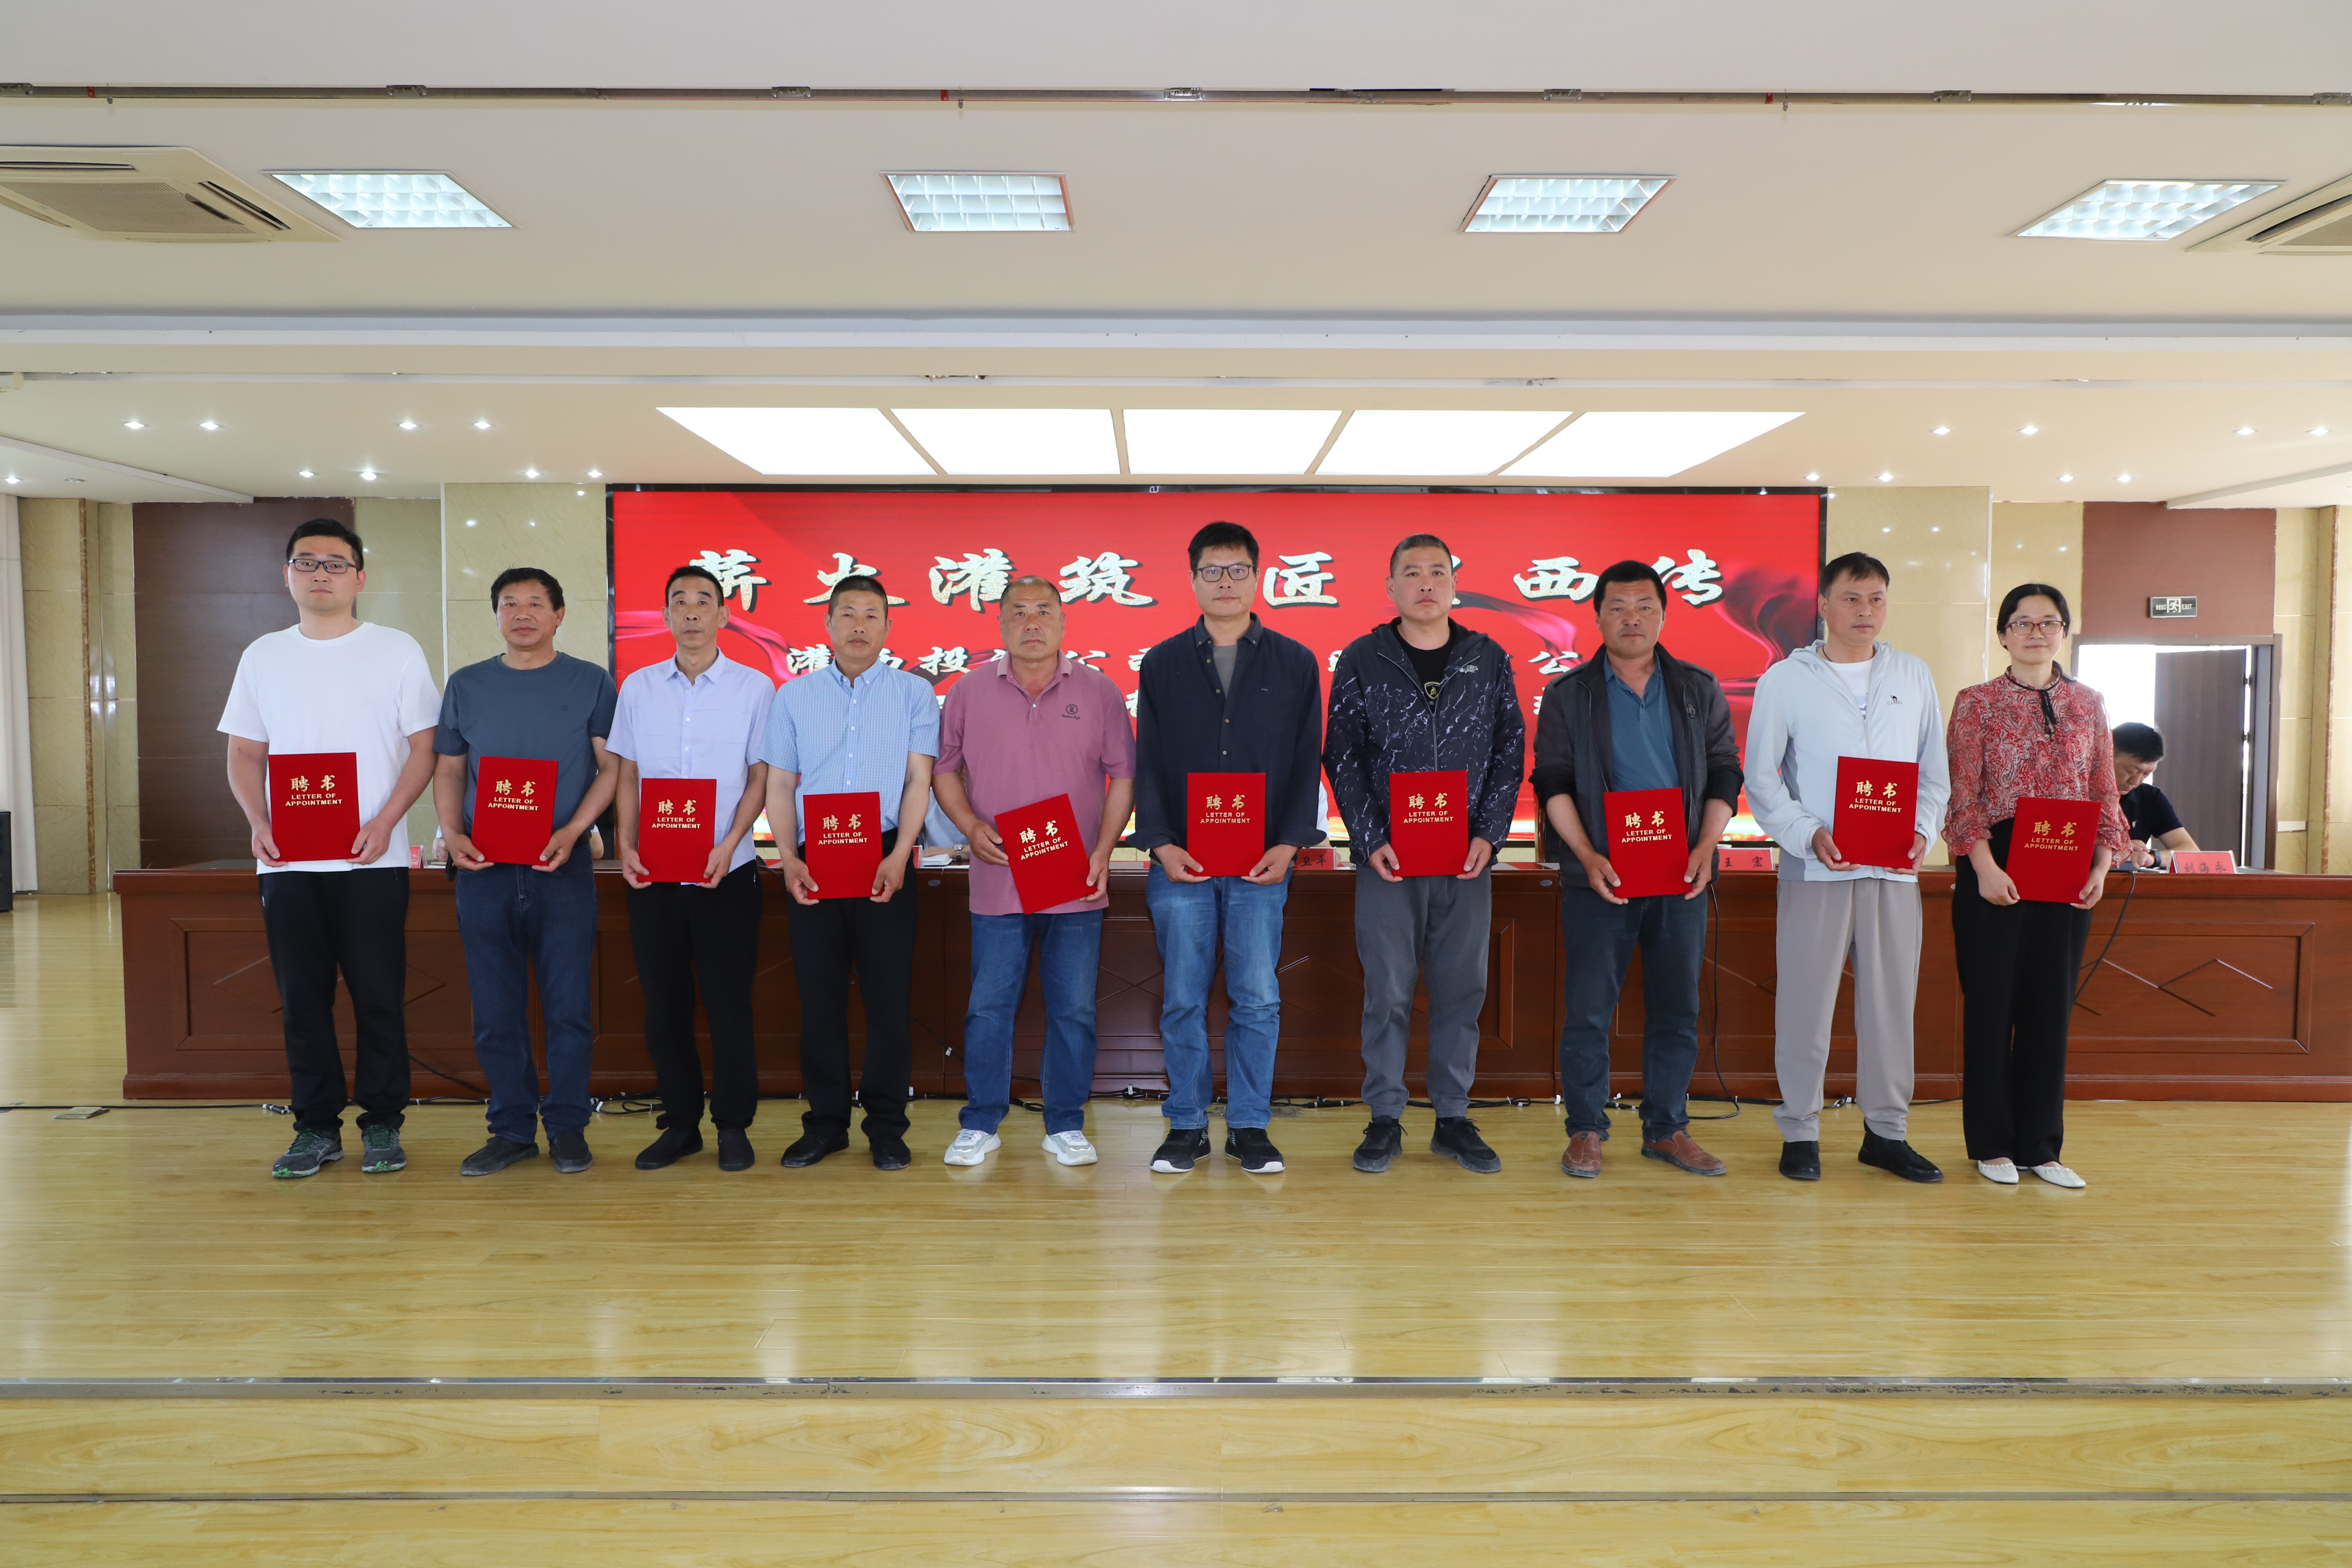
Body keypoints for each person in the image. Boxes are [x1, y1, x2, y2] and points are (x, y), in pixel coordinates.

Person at [220, 519, 441, 1179]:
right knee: (303, 1000)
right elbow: (244, 752)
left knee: (379, 996)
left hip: (373, 859)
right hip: (287, 860)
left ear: (360, 578)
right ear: (287, 575)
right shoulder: (263, 655)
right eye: (307, 562)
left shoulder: (396, 650)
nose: (321, 574)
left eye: (336, 564)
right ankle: (315, 1126)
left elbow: (425, 747)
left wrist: (388, 821)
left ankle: (383, 1122)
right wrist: (258, 820)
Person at [1744, 552, 1950, 1185]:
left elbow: (1934, 773)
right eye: (1853, 598)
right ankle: (1800, 1130)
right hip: (1817, 867)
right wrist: (1808, 834)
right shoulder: (1786, 679)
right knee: (1805, 1005)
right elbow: (1762, 777)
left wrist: (1923, 831)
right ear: (1825, 606)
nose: (1866, 611)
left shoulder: (1912, 674)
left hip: (1894, 871)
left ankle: (1887, 1133)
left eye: (1877, 598)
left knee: (1890, 1006)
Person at [1533, 559, 1742, 1181]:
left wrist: (1707, 846)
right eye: (1618, 608)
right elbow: (1553, 782)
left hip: (1681, 875)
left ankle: (1667, 1128)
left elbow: (1725, 770)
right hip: (1599, 878)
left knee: (1677, 1008)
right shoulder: (1569, 694)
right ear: (1597, 617)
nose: (1632, 618)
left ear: (1664, 616)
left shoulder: (1698, 688)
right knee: (1588, 1010)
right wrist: (1587, 855)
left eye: (1645, 607)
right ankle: (1586, 1130)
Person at [1323, 534, 1525, 1175]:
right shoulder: (1363, 658)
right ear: (1391, 587)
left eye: (1438, 571)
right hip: (1389, 861)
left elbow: (1510, 750)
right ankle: (1385, 1116)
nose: (1427, 583)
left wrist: (1489, 834)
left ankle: (1453, 1117)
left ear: (1455, 585)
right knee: (1387, 991)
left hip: (1466, 860)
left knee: (1463, 989)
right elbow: (1343, 754)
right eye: (1412, 573)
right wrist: (1369, 839)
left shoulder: (1487, 657)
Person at [1132, 521, 1324, 1176]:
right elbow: (1147, 758)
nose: (1225, 582)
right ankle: (1186, 1125)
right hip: (1180, 863)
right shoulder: (1161, 663)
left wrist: (1290, 843)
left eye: (1237, 570)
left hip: (1260, 866)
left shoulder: (1295, 662)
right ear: (1192, 580)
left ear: (1257, 577)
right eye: (1212, 571)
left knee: (1257, 997)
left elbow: (1306, 758)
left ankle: (1249, 1126)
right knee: (1183, 998)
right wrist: (1160, 843)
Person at [933, 576, 1136, 1168]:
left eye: (1043, 611)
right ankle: (981, 1122)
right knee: (988, 1008)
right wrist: (970, 827)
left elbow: (1124, 776)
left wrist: (1104, 850)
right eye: (1018, 612)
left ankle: (1065, 1123)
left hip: (1075, 880)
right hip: (998, 878)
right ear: (1000, 622)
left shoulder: (1099, 690)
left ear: (1063, 621)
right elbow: (944, 771)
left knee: (1073, 1009)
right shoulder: (968, 691)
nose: (1031, 623)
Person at [432, 567, 620, 1178]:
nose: (521, 614)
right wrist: (453, 834)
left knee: (569, 1009)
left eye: (535, 603)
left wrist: (576, 830)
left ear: (559, 615)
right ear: (496, 616)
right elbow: (449, 770)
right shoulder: (466, 684)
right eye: (509, 604)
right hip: (484, 869)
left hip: (561, 867)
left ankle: (567, 1126)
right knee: (495, 1012)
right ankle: (511, 1129)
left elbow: (613, 770)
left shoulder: (591, 681)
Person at [1945, 583, 2126, 1190]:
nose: (2035, 633)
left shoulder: (2089, 703)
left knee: (2050, 1011)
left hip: (2069, 864)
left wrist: (2102, 866)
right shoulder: (1976, 702)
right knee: (1992, 1006)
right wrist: (1983, 867)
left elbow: (2104, 789)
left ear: (2064, 633)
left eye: (2049, 623)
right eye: (2022, 623)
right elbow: (1963, 794)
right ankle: (1992, 1144)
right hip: (1995, 863)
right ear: (2003, 634)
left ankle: (2042, 1146)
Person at [761, 573, 937, 1171]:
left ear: (888, 626)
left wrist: (901, 853)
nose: (859, 626)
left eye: (871, 615)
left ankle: (886, 1127)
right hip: (814, 856)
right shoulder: (795, 697)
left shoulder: (914, 694)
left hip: (885, 853)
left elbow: (918, 781)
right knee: (820, 997)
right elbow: (779, 784)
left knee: (888, 999)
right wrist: (789, 856)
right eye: (848, 614)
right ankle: (826, 1124)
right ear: (828, 623)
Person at [609, 564, 774, 1173]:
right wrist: (626, 843)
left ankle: (733, 1125)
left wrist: (731, 842)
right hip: (654, 874)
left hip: (726, 873)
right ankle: (680, 1125)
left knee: (729, 1004)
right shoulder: (638, 687)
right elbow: (628, 773)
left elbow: (759, 776)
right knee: (664, 1005)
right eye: (680, 601)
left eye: (704, 601)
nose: (692, 611)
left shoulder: (755, 688)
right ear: (666, 615)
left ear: (724, 614)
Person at [2113, 722, 2200, 868]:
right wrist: (2114, 848)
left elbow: (2192, 853)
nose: (2136, 782)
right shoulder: (2077, 792)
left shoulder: (2149, 797)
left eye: (2146, 774)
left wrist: (2151, 858)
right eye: (2130, 771)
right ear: (2107, 756)